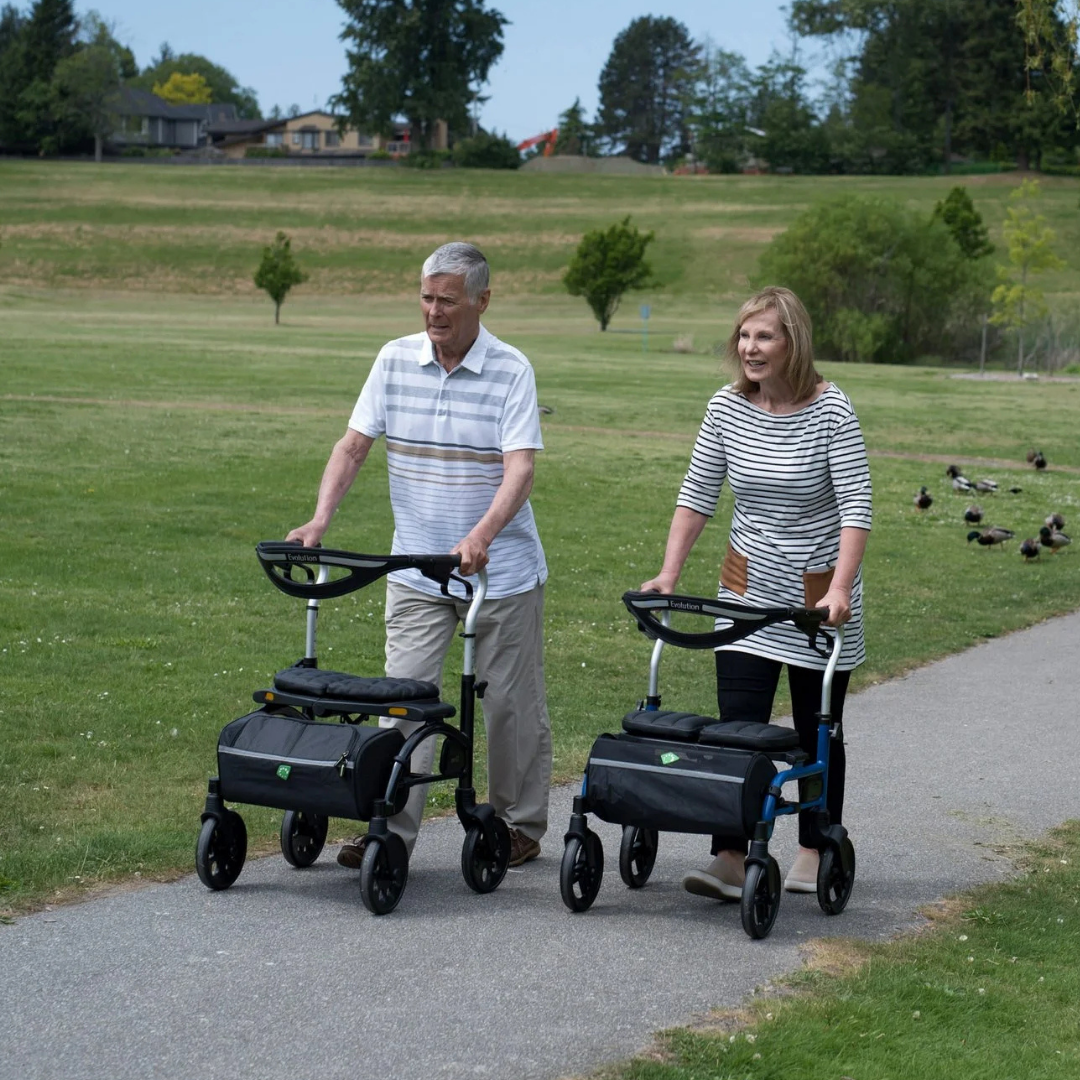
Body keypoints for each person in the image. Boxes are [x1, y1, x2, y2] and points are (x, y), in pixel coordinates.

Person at [286, 241, 551, 869]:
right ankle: (389, 829)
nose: (435, 311)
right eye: (427, 298)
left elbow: (521, 470)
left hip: (501, 575)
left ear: (483, 302)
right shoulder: (394, 359)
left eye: (449, 301)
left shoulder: (511, 369)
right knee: (400, 703)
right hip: (415, 570)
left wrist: (483, 534)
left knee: (508, 706)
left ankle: (518, 825)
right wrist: (320, 518)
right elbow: (353, 447)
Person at [639, 286, 872, 900]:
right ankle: (730, 854)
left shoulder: (831, 411)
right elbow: (696, 496)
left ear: (792, 342)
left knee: (815, 728)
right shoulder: (726, 408)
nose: (750, 347)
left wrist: (841, 588)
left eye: (764, 336)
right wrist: (668, 575)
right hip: (745, 593)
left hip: (815, 601)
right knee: (737, 728)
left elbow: (856, 506)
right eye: (744, 336)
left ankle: (813, 844)